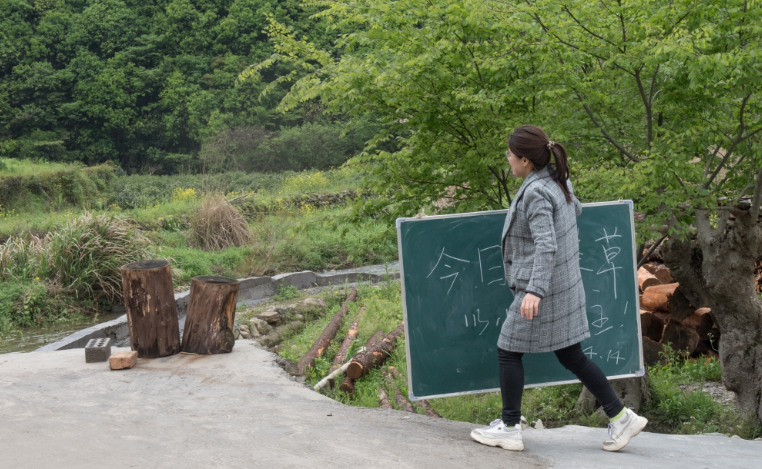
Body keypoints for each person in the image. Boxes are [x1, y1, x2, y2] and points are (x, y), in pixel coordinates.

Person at [469, 125, 647, 452]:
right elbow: (575, 209)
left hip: (543, 293)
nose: (507, 159)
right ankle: (620, 417)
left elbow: (547, 245)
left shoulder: (536, 191)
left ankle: (509, 426)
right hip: (564, 287)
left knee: (508, 350)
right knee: (572, 356)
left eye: (510, 154)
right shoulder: (556, 177)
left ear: (524, 160)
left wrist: (534, 290)